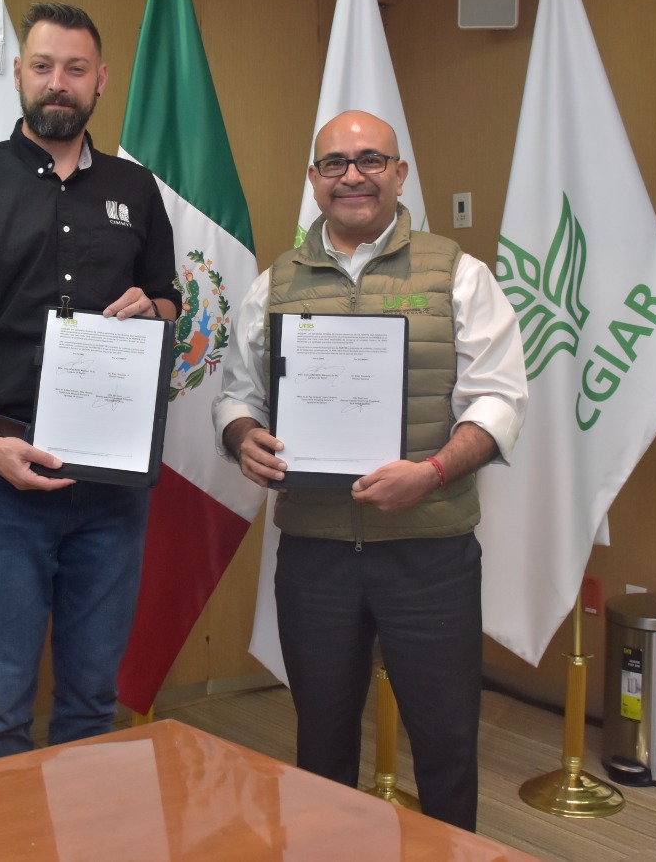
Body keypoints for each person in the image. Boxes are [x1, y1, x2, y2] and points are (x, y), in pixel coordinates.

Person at [212, 109, 526, 830]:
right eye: (335, 163)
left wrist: (436, 472)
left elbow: (501, 399)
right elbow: (236, 393)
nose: (352, 175)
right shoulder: (274, 284)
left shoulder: (459, 274)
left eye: (370, 160)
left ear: (400, 173)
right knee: (320, 743)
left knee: (445, 743)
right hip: (317, 556)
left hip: (429, 552)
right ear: (314, 181)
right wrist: (242, 436)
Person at [0, 1, 181, 762]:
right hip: (5, 474)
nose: (57, 83)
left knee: (92, 698)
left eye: (74, 68)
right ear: (20, 75)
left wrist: (151, 306)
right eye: (42, 66)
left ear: (101, 82)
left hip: (112, 483)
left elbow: (169, 301)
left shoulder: (137, 188)